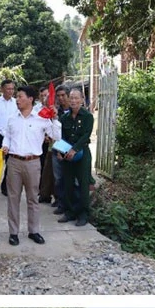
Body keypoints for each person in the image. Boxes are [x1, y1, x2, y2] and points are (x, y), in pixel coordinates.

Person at [0, 85, 61, 246]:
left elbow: (56, 136)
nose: (17, 99)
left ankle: (33, 231)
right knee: (13, 198)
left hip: (33, 163)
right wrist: (5, 146)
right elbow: (7, 136)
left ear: (30, 99)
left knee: (33, 198)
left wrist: (55, 118)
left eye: (20, 96)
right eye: (17, 97)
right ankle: (13, 233)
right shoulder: (13, 118)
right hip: (13, 162)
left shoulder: (41, 118)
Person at [56, 88, 94, 227]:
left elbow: (85, 136)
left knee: (83, 184)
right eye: (71, 98)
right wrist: (59, 151)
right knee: (68, 183)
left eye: (76, 98)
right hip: (67, 153)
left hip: (82, 153)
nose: (73, 101)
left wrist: (74, 149)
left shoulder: (87, 116)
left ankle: (83, 214)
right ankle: (70, 212)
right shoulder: (64, 118)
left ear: (82, 100)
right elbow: (61, 137)